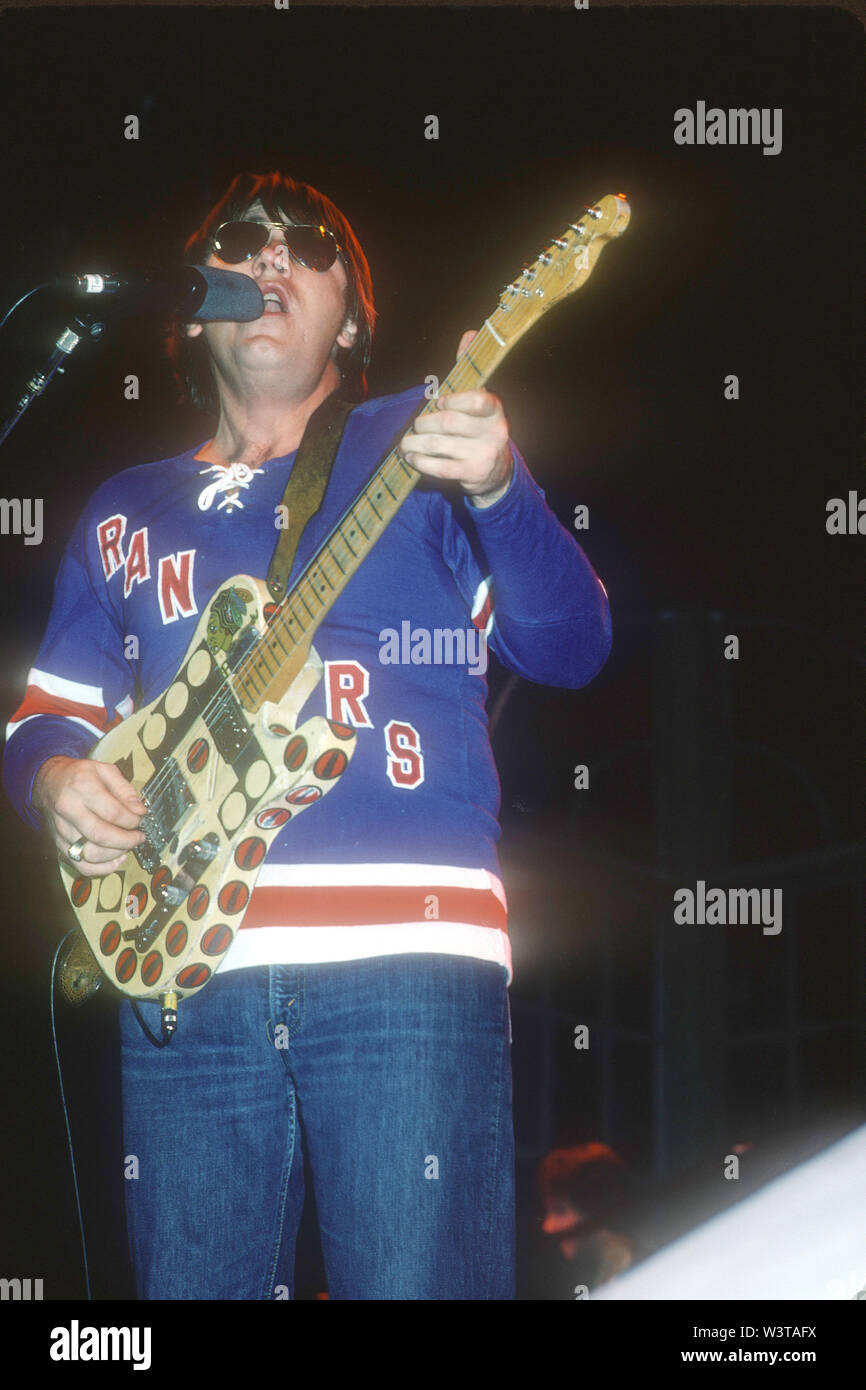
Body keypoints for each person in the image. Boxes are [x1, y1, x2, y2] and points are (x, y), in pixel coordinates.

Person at [3, 170, 612, 1300]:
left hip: (405, 955)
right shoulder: (121, 509)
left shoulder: (418, 445)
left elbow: (570, 645)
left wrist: (496, 486)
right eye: (242, 240)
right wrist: (55, 787)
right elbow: (45, 719)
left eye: (311, 246)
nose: (273, 256)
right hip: (178, 966)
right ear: (194, 308)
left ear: (353, 312)